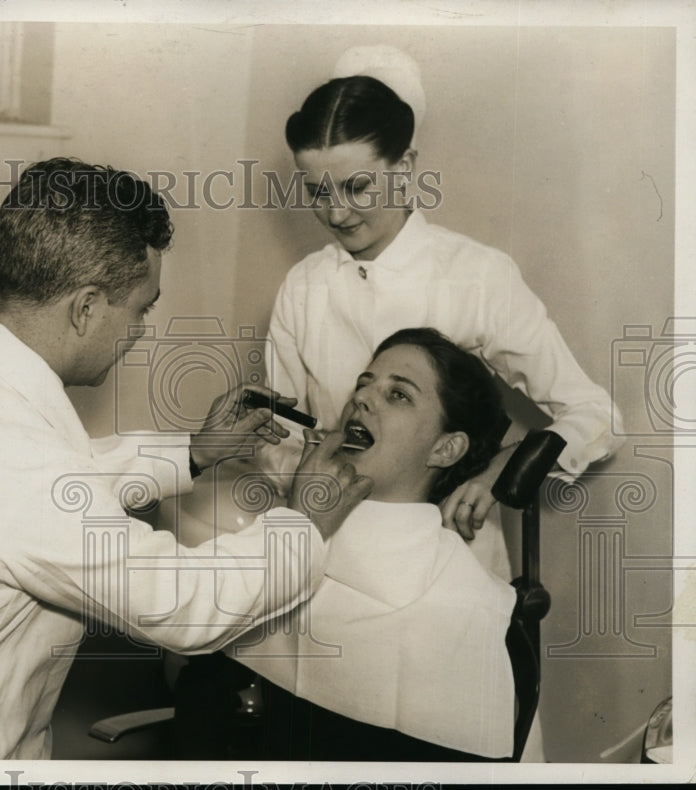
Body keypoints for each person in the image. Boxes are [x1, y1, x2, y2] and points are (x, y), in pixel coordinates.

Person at [0, 158, 373, 760]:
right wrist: (304, 524)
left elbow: (23, 494)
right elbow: (180, 602)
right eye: (142, 308)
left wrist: (193, 451)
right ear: (85, 306)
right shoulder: (17, 464)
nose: (141, 331)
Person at [263, 45, 624, 575]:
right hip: (329, 553)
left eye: (357, 186)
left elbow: (597, 417)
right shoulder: (304, 286)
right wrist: (308, 475)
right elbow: (279, 437)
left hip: (448, 558)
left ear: (405, 165)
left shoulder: (475, 274)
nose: (336, 212)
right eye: (317, 191)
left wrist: (498, 473)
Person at [226, 327, 521, 760]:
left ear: (445, 448)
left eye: (398, 395)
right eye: (364, 384)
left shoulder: (466, 603)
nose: (361, 399)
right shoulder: (277, 539)